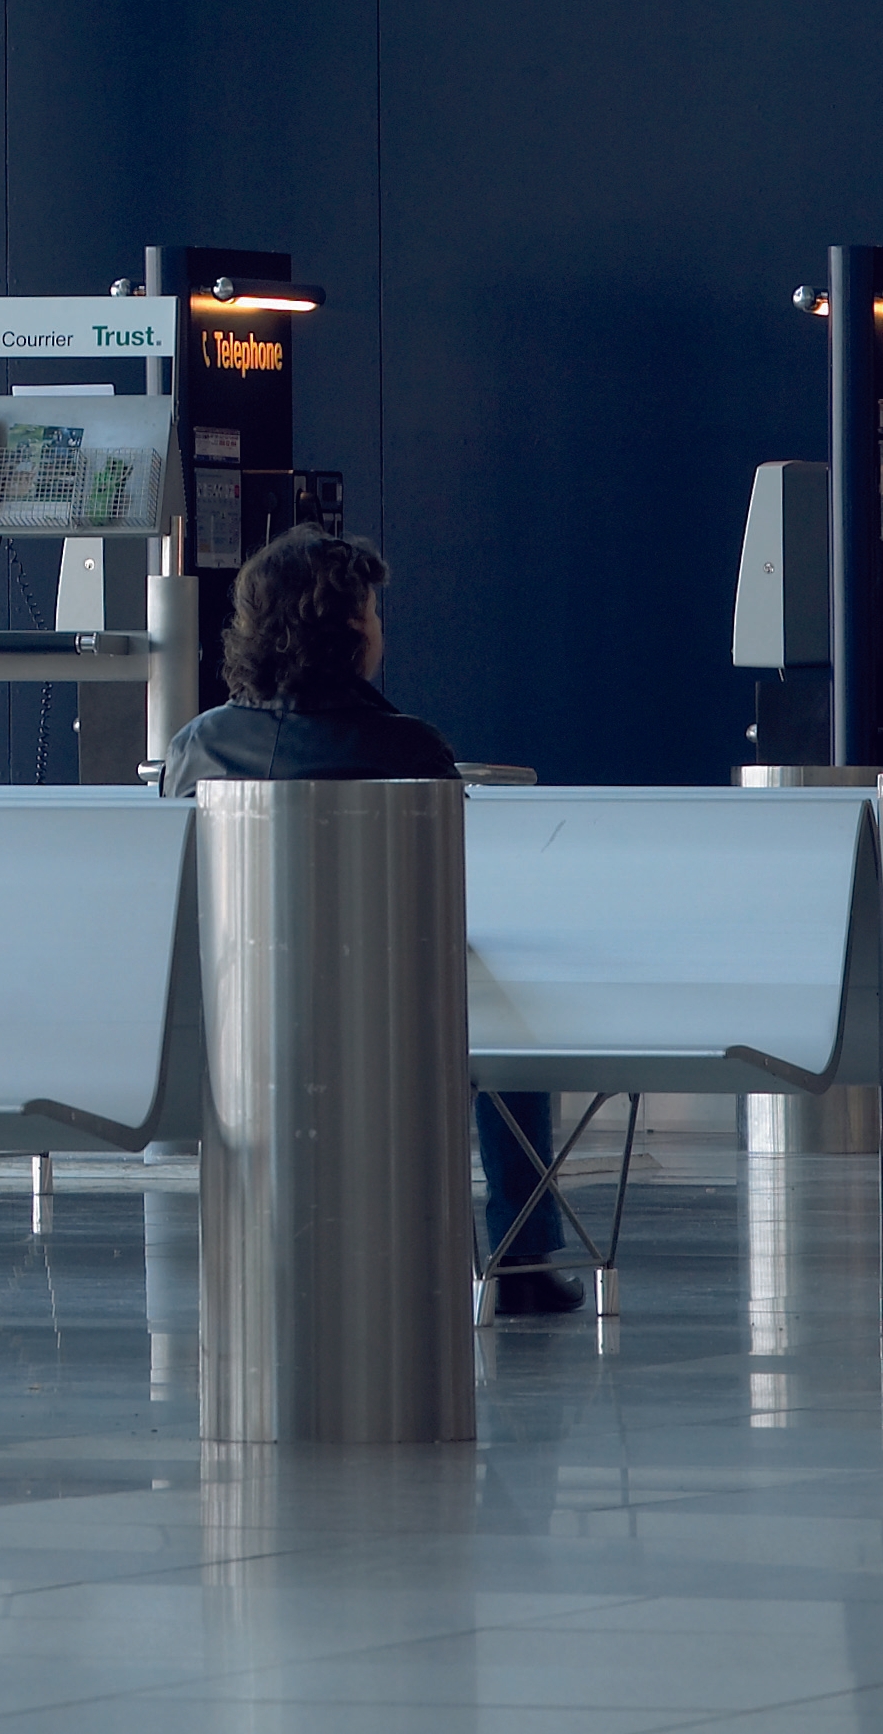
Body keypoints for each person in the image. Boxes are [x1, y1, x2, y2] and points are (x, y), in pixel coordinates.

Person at [157, 525, 580, 1318]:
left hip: (231, 1013)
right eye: (373, 612)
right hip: (384, 1021)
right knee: (506, 1011)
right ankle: (522, 1254)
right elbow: (446, 897)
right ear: (347, 628)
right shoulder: (408, 749)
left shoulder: (197, 748)